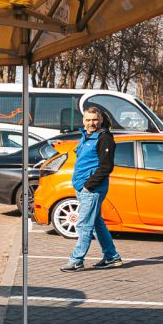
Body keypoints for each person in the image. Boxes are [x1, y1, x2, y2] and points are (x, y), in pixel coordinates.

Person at [61, 106, 122, 271]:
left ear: (100, 119)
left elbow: (106, 167)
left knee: (83, 225)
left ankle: (76, 260)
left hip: (92, 190)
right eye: (88, 120)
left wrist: (88, 186)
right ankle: (112, 257)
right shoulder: (86, 136)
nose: (91, 123)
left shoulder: (104, 138)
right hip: (82, 188)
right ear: (83, 120)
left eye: (94, 120)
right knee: (96, 223)